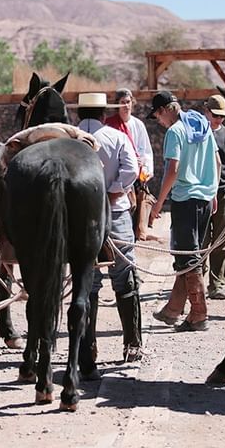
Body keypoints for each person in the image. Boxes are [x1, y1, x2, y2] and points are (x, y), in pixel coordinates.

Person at [74, 92, 142, 362]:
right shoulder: (117, 137)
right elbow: (131, 169)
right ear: (104, 114)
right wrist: (114, 191)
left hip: (80, 216)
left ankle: (87, 351)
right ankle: (132, 344)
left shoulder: (67, 140)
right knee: (125, 274)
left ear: (78, 114)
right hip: (116, 213)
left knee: (86, 281)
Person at [148, 92, 220, 332]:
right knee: (190, 255)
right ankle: (173, 310)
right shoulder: (203, 126)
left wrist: (158, 203)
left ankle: (199, 314)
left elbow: (173, 169)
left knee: (188, 257)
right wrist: (213, 192)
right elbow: (217, 163)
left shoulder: (175, 132)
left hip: (185, 199)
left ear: (167, 109)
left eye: (158, 114)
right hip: (205, 199)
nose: (159, 120)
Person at [105, 88, 157, 241]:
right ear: (117, 105)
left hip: (136, 175)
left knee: (139, 207)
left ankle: (139, 234)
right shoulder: (109, 125)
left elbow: (146, 150)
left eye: (128, 102)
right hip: (118, 175)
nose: (126, 106)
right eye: (122, 103)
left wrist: (144, 164)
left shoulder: (138, 125)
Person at [202, 94, 225, 300]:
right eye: (215, 115)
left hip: (222, 192)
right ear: (206, 112)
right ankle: (195, 279)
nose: (218, 120)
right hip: (202, 193)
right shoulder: (198, 134)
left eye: (222, 116)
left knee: (222, 240)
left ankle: (217, 283)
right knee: (201, 240)